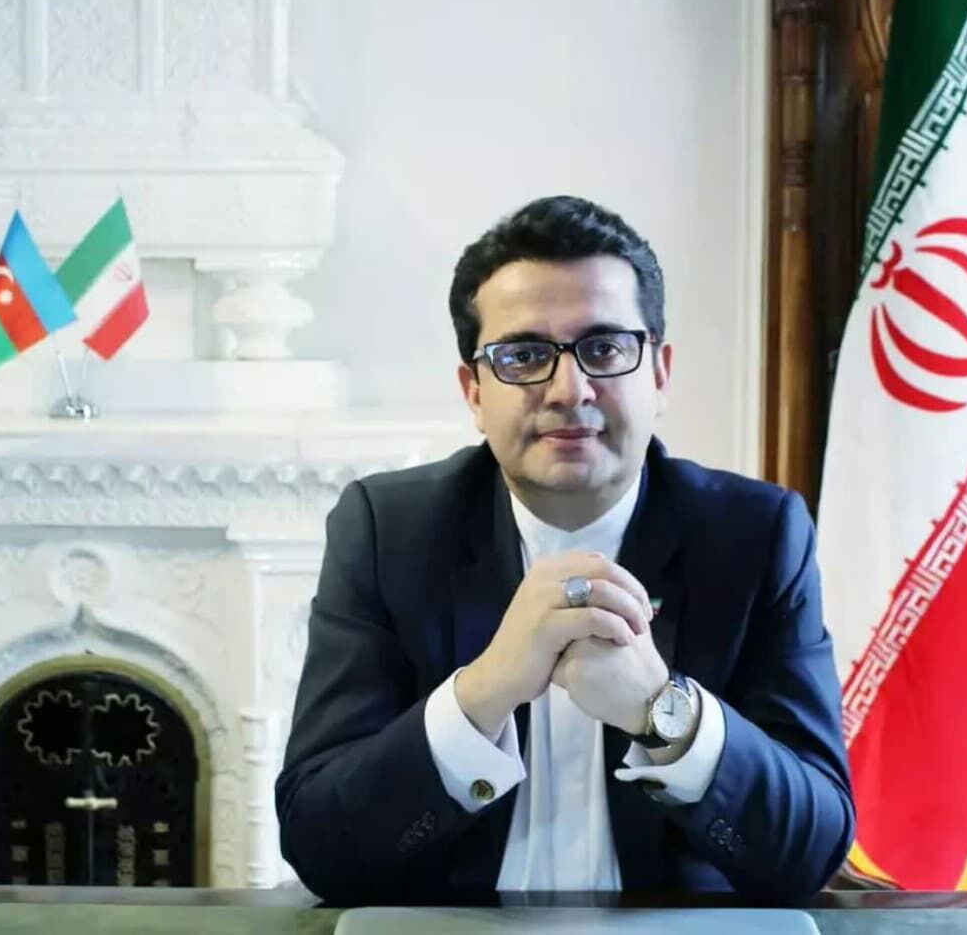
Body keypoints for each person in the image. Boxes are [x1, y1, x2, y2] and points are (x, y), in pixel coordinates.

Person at [275, 195, 854, 905]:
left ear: (659, 373)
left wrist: (663, 713)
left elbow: (812, 850)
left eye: (604, 349)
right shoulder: (387, 532)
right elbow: (322, 845)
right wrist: (483, 693)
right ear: (474, 392)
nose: (568, 390)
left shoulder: (755, 535)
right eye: (523, 356)